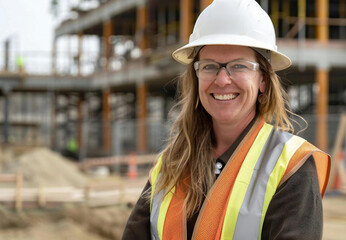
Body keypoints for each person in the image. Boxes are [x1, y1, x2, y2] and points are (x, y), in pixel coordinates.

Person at [122, 0, 331, 239]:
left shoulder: (292, 166)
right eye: (209, 66)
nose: (222, 80)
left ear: (263, 80)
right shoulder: (170, 164)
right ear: (196, 76)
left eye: (239, 66)